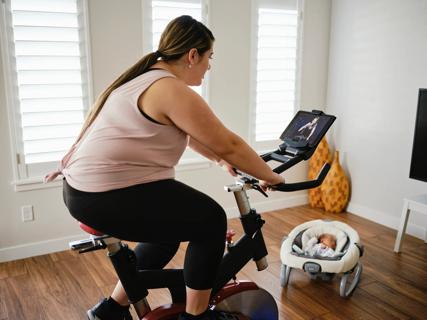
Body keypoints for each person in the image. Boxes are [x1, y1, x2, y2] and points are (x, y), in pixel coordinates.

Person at [46, 15, 284, 320]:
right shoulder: (170, 89)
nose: (209, 66)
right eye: (209, 57)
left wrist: (219, 160)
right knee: (210, 220)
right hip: (103, 195)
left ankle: (111, 310)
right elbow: (231, 144)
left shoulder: (144, 79)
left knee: (168, 231)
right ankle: (197, 316)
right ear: (192, 55)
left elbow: (192, 136)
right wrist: (272, 177)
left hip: (84, 192)